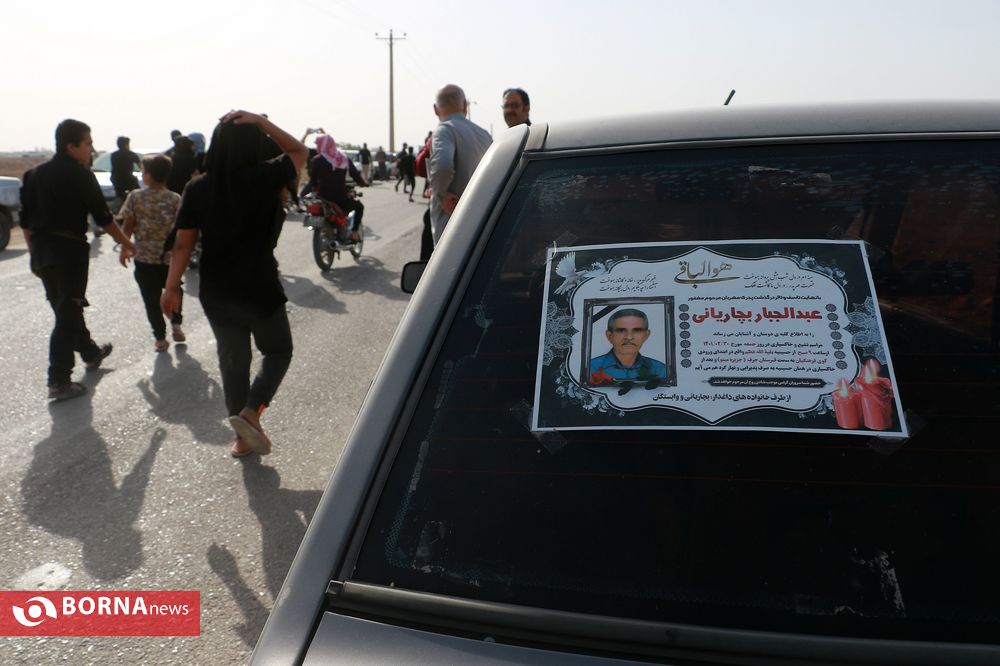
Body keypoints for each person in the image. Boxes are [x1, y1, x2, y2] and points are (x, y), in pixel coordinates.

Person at [161, 110, 307, 457]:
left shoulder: (198, 187)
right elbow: (300, 150)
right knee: (278, 351)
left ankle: (242, 438)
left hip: (216, 287)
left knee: (233, 360)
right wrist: (262, 122)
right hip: (258, 282)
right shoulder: (267, 176)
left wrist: (171, 287)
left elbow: (183, 244)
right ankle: (252, 411)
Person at [19, 119, 137, 401]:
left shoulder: (33, 174)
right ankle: (59, 379)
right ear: (71, 146)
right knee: (67, 311)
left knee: (65, 307)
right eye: (88, 143)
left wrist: (34, 256)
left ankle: (90, 352)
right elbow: (104, 219)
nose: (92, 149)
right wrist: (128, 244)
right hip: (68, 253)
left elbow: (25, 222)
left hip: (43, 253)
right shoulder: (81, 175)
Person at [118, 154, 184, 352]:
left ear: (148, 175)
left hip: (144, 259)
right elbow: (181, 230)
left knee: (151, 300)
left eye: (143, 171)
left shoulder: (135, 197)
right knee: (175, 291)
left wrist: (125, 248)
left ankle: (160, 338)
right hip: (169, 260)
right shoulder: (175, 198)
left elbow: (128, 225)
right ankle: (176, 324)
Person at [428, 84, 493, 241]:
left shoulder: (444, 131)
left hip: (452, 223)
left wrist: (440, 195)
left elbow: (443, 165)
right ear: (465, 105)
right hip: (484, 219)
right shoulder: (484, 135)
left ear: (435, 109)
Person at [308, 134, 368, 243]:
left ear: (324, 145)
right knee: (359, 207)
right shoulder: (344, 158)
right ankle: (354, 233)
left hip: (322, 197)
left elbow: (313, 179)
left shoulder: (317, 160)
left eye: (318, 145)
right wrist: (363, 183)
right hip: (340, 199)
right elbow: (356, 175)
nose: (317, 148)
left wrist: (315, 188)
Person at [589, 309, 668, 381]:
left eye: (637, 330)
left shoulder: (660, 370)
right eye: (621, 330)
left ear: (646, 335)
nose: (629, 337)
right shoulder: (590, 368)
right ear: (609, 336)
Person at [110, 136, 141, 201]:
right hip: (128, 179)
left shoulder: (114, 155)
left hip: (116, 179)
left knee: (119, 196)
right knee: (138, 195)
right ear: (126, 144)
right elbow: (141, 166)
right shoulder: (131, 154)